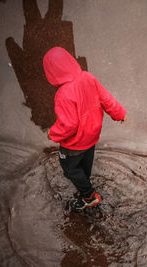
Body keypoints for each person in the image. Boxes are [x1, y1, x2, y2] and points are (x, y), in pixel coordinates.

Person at [43, 47, 126, 210]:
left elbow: (69, 125)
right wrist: (119, 113)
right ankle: (85, 178)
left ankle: (89, 196)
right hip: (92, 135)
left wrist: (52, 134)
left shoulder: (63, 94)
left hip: (74, 143)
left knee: (70, 168)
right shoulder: (88, 77)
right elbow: (106, 98)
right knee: (85, 161)